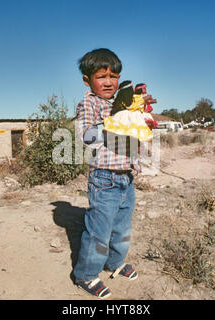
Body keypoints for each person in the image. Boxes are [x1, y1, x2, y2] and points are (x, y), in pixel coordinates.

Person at [74, 48, 142, 299]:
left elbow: (134, 136)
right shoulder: (89, 103)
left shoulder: (123, 103)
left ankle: (115, 262)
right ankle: (86, 274)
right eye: (101, 76)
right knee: (99, 230)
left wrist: (137, 114)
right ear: (87, 80)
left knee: (122, 226)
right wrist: (112, 121)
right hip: (104, 178)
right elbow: (86, 136)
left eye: (113, 76)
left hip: (126, 178)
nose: (108, 82)